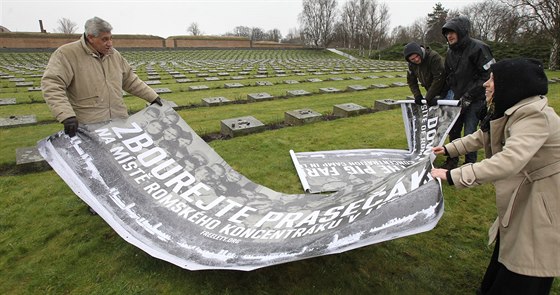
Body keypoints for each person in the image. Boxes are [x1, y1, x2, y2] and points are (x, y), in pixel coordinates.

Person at [431, 58, 560, 295]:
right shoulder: (514, 108)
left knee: (528, 259)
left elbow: (508, 161)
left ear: (512, 84)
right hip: (527, 192)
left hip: (543, 198)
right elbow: (483, 136)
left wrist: (453, 176)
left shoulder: (532, 116)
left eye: (492, 80)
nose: (486, 85)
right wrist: (449, 149)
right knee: (511, 246)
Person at [41, 16, 163, 138]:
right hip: (89, 124)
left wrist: (152, 97)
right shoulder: (67, 54)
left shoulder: (114, 55)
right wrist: (66, 115)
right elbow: (52, 84)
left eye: (111, 38)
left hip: (119, 121)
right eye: (104, 39)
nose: (109, 43)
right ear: (90, 38)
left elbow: (130, 80)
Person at [440, 16, 495, 169]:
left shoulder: (479, 48)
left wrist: (470, 95)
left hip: (476, 99)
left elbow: (487, 75)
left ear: (461, 32)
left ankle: (470, 164)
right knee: (454, 130)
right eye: (447, 33)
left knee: (470, 132)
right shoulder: (450, 53)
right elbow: (448, 76)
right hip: (458, 99)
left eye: (452, 32)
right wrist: (441, 95)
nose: (449, 36)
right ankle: (452, 160)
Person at [403, 42, 447, 107]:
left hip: (446, 89)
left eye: (417, 56)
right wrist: (417, 95)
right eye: (412, 59)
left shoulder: (433, 57)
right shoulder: (411, 65)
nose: (416, 59)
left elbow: (439, 77)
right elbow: (411, 81)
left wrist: (428, 97)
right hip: (431, 90)